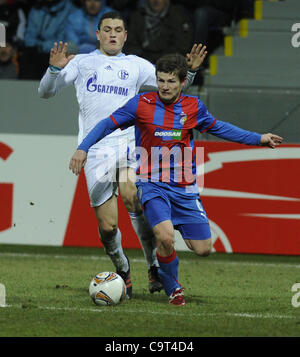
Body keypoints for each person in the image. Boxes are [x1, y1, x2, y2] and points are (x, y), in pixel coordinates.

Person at [69, 53, 283, 305]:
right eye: (160, 80)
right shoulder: (141, 104)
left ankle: (162, 267)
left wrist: (258, 138)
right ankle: (173, 287)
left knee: (203, 249)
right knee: (166, 236)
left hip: (184, 188)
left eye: (170, 81)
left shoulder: (193, 107)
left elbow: (221, 128)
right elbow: (107, 124)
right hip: (151, 184)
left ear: (182, 82)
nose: (164, 86)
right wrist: (83, 147)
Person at [38, 11, 206, 299]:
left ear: (125, 35)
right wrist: (53, 70)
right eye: (107, 29)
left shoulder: (137, 66)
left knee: (132, 195)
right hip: (96, 150)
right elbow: (45, 93)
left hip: (129, 145)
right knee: (108, 225)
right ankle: (123, 268)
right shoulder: (82, 63)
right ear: (98, 34)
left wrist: (188, 72)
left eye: (118, 29)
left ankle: (154, 266)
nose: (113, 34)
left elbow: (172, 89)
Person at [19, 0, 77, 79]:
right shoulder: (36, 9)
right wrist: (39, 46)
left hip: (57, 52)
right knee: (25, 58)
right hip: (36, 50)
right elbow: (29, 37)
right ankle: (27, 89)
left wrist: (42, 46)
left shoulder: (70, 9)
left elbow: (64, 40)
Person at [124, 0, 194, 65]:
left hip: (168, 64)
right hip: (142, 62)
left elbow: (182, 46)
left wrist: (160, 60)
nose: (156, 1)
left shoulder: (178, 16)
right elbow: (130, 43)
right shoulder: (137, 16)